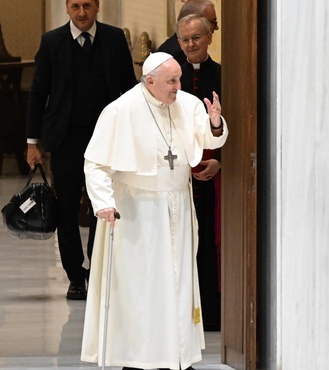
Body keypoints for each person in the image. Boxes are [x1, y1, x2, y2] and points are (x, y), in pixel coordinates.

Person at [80, 52, 228, 370]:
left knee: (177, 282)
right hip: (137, 212)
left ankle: (175, 354)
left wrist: (215, 122)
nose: (179, 85)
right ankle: (138, 356)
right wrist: (104, 201)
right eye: (172, 81)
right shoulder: (120, 111)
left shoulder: (187, 104)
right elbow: (95, 163)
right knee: (143, 287)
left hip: (178, 207)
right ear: (150, 81)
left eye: (179, 79)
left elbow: (207, 137)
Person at [25, 0, 136, 300]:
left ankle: (98, 269)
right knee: (67, 207)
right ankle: (75, 275)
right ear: (67, 8)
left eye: (87, 5)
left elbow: (129, 88)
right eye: (75, 6)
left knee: (104, 206)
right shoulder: (52, 42)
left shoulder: (114, 39)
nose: (82, 12)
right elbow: (38, 92)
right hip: (66, 140)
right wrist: (32, 142)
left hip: (107, 140)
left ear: (98, 6)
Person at [177, 13, 223, 331]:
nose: (191, 44)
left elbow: (233, 124)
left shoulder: (223, 75)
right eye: (185, 39)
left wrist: (221, 160)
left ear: (209, 38)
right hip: (176, 174)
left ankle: (208, 314)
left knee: (208, 241)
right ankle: (182, 315)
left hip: (213, 174)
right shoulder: (170, 76)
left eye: (197, 38)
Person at [158, 0, 219, 65]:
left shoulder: (172, 45)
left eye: (196, 38)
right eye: (213, 22)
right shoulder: (179, 55)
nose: (216, 27)